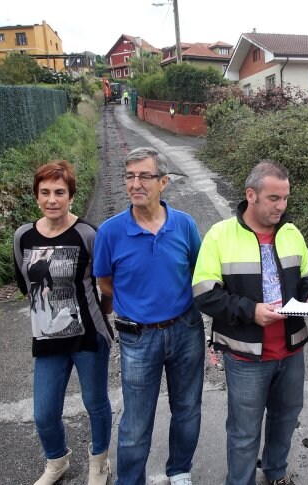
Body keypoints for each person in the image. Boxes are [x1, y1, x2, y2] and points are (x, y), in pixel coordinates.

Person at [192, 160, 308, 485]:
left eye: (285, 198)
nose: (282, 206)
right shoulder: (220, 235)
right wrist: (251, 312)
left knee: (285, 419)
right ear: (251, 195)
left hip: (291, 352)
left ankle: (276, 472)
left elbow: (305, 274)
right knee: (243, 431)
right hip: (246, 357)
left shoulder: (291, 233)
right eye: (274, 199)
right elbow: (204, 293)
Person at [93, 147, 205, 485]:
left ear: (163, 181)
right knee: (136, 422)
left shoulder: (184, 225)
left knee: (187, 409)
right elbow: (105, 282)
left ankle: (180, 470)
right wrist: (138, 304)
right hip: (137, 338)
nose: (135, 183)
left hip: (186, 330)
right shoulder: (110, 232)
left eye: (144, 176)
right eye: (130, 176)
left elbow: (198, 272)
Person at [13, 160, 114, 485]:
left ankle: (99, 462)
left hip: (88, 336)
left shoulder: (87, 234)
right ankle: (57, 461)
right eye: (45, 192)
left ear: (71, 196)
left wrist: (106, 313)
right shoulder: (23, 236)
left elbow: (105, 284)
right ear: (37, 196)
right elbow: (24, 285)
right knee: (43, 412)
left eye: (59, 192)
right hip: (46, 339)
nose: (52, 199)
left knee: (95, 403)